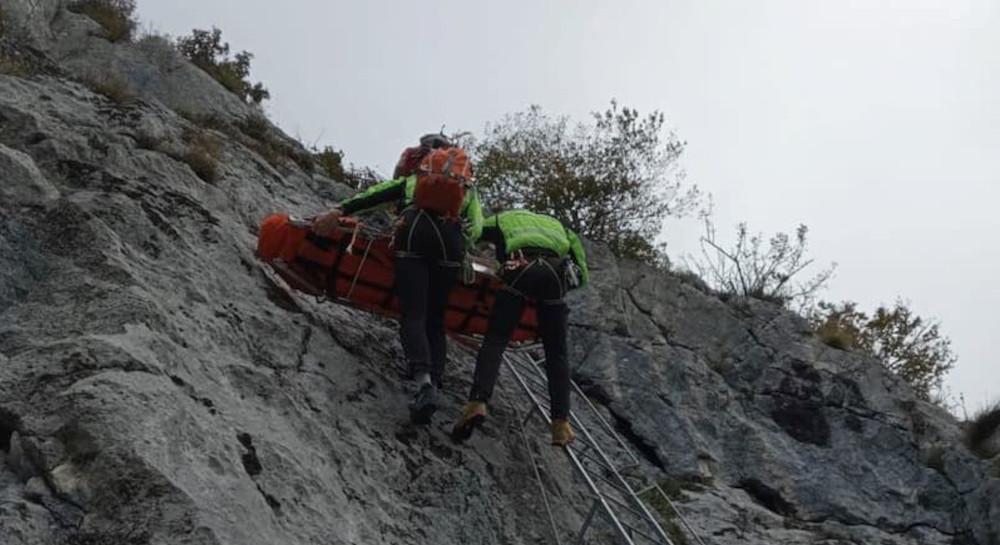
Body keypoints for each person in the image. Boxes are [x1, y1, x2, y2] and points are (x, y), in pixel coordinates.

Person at [312, 134, 483, 424]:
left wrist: (338, 210)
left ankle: (424, 382)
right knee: (435, 319)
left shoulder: (414, 179)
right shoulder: (467, 188)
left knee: (413, 313)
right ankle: (436, 384)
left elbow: (376, 195)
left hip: (414, 233)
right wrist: (459, 240)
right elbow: (476, 228)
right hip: (450, 245)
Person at [451, 210, 588, 446]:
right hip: (556, 274)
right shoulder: (560, 227)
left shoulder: (505, 218)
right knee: (557, 353)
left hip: (520, 267)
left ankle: (477, 403)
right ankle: (560, 423)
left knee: (495, 341)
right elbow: (582, 274)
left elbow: (472, 232)